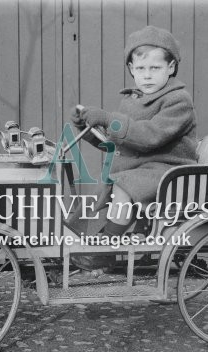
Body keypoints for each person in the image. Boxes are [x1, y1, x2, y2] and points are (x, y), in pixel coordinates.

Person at [67, 25, 198, 271]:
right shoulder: (133, 100)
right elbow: (119, 143)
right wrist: (86, 127)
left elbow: (150, 137)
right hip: (143, 166)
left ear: (171, 68)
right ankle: (83, 244)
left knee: (123, 187)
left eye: (155, 68)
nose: (147, 76)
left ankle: (105, 251)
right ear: (131, 70)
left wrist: (107, 118)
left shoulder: (178, 100)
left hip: (169, 170)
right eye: (140, 69)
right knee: (105, 188)